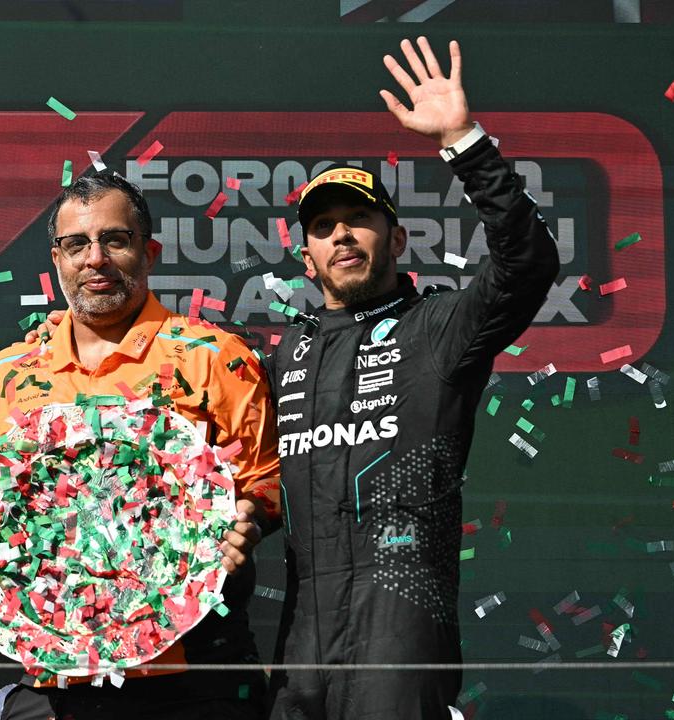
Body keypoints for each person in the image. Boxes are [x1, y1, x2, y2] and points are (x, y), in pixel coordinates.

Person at [265, 38, 560, 719]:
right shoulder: (285, 356)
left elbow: (526, 263)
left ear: (395, 240)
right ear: (306, 256)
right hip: (299, 644)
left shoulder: (439, 329)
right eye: (323, 227)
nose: (341, 236)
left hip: (401, 634)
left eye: (359, 221)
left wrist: (464, 140)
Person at [0, 171, 281, 720]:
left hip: (194, 672)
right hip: (53, 676)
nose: (95, 258)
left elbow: (268, 478)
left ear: (150, 251)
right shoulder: (7, 373)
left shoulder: (214, 356)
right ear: (57, 259)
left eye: (115, 239)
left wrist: (250, 518)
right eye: (77, 244)